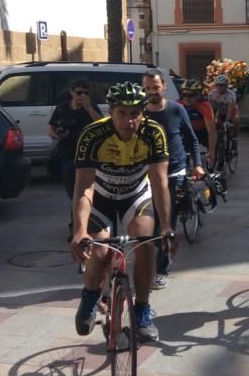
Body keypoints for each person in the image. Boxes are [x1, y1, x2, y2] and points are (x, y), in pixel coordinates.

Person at [69, 81, 172, 344]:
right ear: (111, 112)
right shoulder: (93, 135)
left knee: (146, 245)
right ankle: (91, 295)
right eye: (122, 113)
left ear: (143, 112)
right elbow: (83, 186)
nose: (129, 120)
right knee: (101, 252)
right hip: (100, 196)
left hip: (136, 195)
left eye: (135, 113)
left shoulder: (153, 133)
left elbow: (160, 182)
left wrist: (166, 227)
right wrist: (79, 230)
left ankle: (142, 310)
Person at [142, 69, 203, 290]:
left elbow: (192, 139)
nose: (151, 92)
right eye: (147, 88)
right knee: (149, 223)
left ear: (164, 87)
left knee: (166, 222)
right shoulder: (140, 113)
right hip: (147, 176)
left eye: (155, 87)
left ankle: (162, 268)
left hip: (174, 174)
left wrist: (197, 164)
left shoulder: (176, 110)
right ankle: (154, 259)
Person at [48, 79, 102, 199]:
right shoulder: (62, 108)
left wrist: (89, 109)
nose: (82, 96)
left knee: (86, 188)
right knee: (71, 190)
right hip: (67, 153)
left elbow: (102, 124)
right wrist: (56, 135)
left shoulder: (91, 107)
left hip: (87, 154)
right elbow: (51, 127)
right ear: (71, 92)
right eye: (79, 92)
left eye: (86, 93)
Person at [178, 79, 217, 171]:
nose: (187, 98)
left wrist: (211, 153)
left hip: (203, 131)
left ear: (198, 95)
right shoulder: (178, 104)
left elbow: (211, 131)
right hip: (187, 132)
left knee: (214, 150)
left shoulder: (204, 105)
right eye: (184, 95)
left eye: (191, 95)